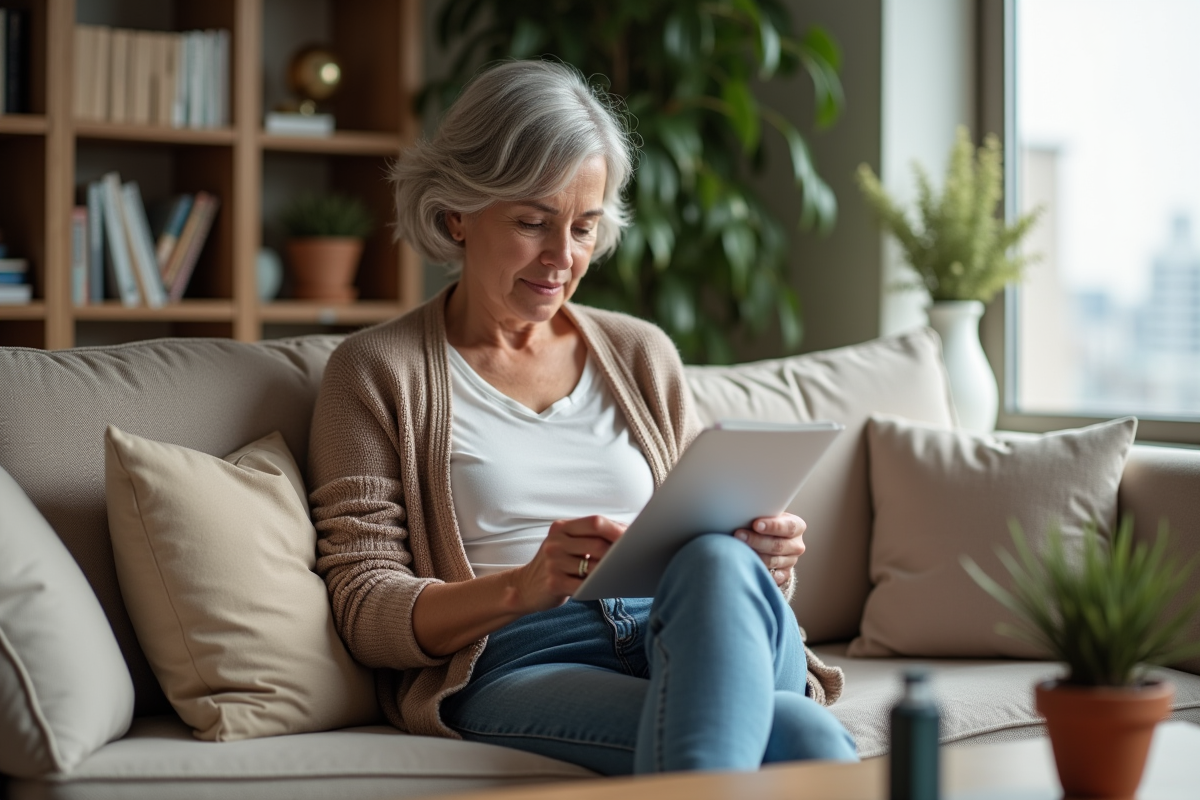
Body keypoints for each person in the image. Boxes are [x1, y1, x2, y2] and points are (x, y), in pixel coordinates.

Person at [307, 59, 857, 776]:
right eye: (533, 223)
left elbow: (708, 550)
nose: (562, 258)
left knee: (720, 558)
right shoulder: (379, 372)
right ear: (457, 214)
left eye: (584, 228)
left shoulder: (640, 353)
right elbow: (364, 608)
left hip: (684, 627)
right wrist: (520, 586)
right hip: (525, 658)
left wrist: (767, 562)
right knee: (805, 741)